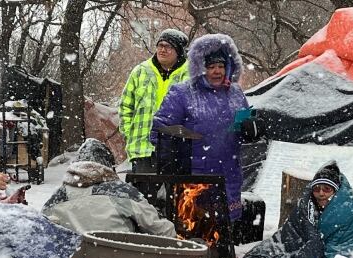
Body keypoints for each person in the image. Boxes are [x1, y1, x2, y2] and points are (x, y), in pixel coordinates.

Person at [151, 33, 248, 221]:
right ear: (200, 68)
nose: (217, 71)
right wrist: (177, 159)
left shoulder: (236, 93)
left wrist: (252, 129)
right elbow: (159, 131)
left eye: (221, 66)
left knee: (225, 230)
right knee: (195, 227)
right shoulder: (182, 93)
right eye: (211, 67)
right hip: (194, 178)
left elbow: (242, 129)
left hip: (229, 174)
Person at [238, 161, 353, 258]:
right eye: (317, 189)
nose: (321, 193)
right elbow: (289, 233)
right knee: (263, 257)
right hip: (299, 257)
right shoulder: (307, 206)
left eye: (327, 189)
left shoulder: (348, 209)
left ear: (336, 191)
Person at [42, 138, 176, 236]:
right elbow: (163, 230)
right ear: (109, 166)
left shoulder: (58, 196)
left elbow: (42, 231)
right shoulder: (122, 192)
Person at [119, 29, 189, 173]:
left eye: (168, 46)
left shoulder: (190, 74)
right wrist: (129, 133)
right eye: (160, 45)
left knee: (177, 194)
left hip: (176, 151)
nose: (162, 50)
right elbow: (126, 106)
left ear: (179, 51)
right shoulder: (140, 71)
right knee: (143, 194)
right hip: (142, 149)